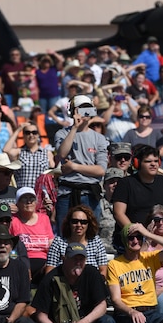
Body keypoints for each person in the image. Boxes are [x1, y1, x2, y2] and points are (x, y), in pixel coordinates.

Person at [54, 95, 109, 230]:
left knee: (90, 236)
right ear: (73, 112)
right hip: (66, 193)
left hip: (90, 194)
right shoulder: (61, 133)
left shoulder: (100, 138)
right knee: (64, 236)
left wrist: (74, 166)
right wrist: (74, 128)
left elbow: (101, 170)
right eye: (81, 109)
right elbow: (62, 154)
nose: (85, 113)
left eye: (88, 109)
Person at [45, 204, 109, 277]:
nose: (79, 225)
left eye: (83, 222)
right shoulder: (58, 242)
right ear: (69, 223)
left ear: (89, 224)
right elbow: (49, 271)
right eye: (74, 221)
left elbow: (103, 270)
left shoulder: (96, 241)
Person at [10, 186, 54, 284]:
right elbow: (11, 249)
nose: (29, 202)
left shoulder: (44, 219)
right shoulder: (13, 221)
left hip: (44, 263)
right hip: (21, 261)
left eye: (32, 199)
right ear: (17, 203)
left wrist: (50, 263)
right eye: (24, 199)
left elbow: (51, 245)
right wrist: (20, 264)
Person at [4, 122, 54, 190]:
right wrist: (18, 130)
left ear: (38, 134)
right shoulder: (19, 152)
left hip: (41, 194)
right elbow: (5, 150)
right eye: (27, 132)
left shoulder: (47, 153)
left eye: (34, 132)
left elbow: (52, 173)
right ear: (23, 135)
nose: (31, 135)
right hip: (23, 194)